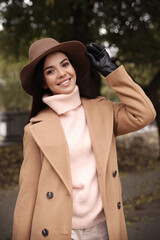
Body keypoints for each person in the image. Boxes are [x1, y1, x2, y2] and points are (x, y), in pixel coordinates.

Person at [12, 38, 156, 240]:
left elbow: (144, 114)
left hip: (104, 228)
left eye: (65, 64)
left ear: (73, 68)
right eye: (50, 70)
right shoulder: (35, 129)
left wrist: (111, 72)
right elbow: (27, 194)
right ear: (43, 82)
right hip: (58, 229)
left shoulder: (103, 110)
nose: (62, 73)